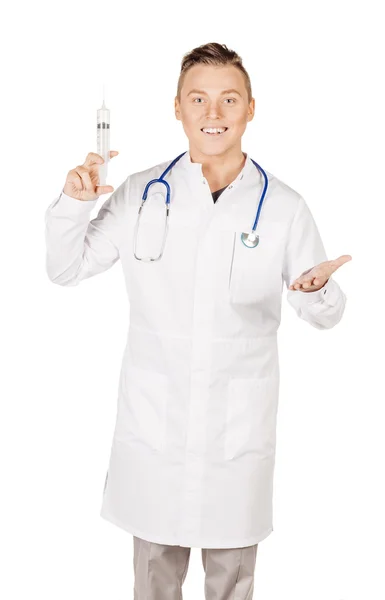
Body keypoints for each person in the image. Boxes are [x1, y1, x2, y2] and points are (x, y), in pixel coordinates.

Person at [44, 42, 351, 600]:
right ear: (178, 108)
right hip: (154, 429)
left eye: (228, 99)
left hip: (237, 434)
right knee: (153, 579)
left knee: (233, 580)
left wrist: (319, 287)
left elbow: (322, 314)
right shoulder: (139, 192)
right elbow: (65, 269)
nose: (214, 114)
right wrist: (72, 203)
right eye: (199, 100)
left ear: (251, 108)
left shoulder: (283, 206)